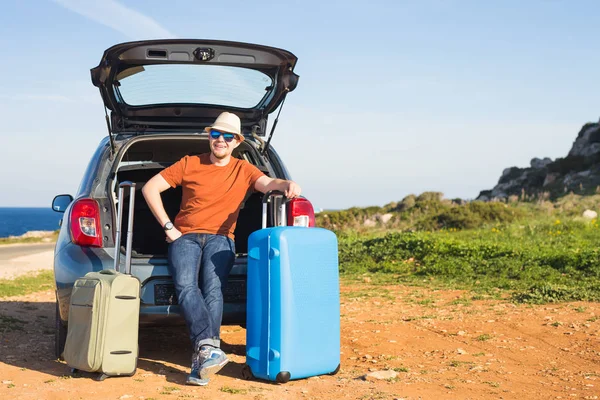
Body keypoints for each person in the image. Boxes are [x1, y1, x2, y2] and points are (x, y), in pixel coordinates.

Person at [142, 111, 301, 386]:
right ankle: (209, 348)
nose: (221, 140)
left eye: (228, 136)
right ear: (209, 136)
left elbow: (267, 184)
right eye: (217, 134)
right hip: (185, 237)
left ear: (237, 142)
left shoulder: (243, 169)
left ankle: (204, 354)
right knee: (186, 286)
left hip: (222, 238)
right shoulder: (189, 163)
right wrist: (169, 228)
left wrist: (287, 184)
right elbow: (150, 187)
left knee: (213, 289)